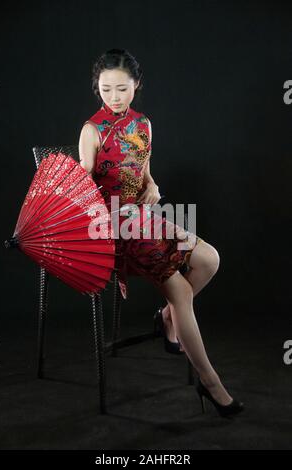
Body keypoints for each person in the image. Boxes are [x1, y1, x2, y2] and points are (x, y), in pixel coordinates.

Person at [79, 48, 244, 418]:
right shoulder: (92, 131)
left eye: (121, 89)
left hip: (143, 215)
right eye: (106, 89)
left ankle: (168, 317)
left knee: (209, 259)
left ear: (136, 85)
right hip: (113, 225)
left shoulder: (144, 124)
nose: (114, 97)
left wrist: (152, 185)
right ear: (97, 88)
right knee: (182, 290)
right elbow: (83, 188)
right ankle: (211, 382)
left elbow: (145, 171)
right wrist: (102, 209)